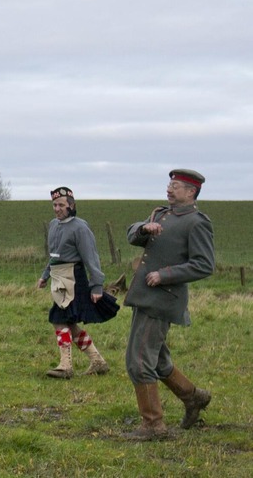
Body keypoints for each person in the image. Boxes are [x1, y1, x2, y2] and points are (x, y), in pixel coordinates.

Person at [122, 169, 215, 441]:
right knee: (158, 361)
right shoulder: (160, 214)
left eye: (176, 185)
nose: (169, 189)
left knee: (139, 361)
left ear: (191, 191)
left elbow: (204, 265)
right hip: (144, 297)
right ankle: (194, 397)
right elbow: (131, 235)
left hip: (162, 300)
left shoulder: (197, 223)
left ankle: (154, 426)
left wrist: (165, 275)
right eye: (169, 184)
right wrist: (143, 228)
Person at [37, 187, 119, 379]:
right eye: (54, 205)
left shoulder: (80, 227)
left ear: (71, 206)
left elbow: (91, 257)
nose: (57, 209)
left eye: (61, 205)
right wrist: (45, 275)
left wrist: (97, 285)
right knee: (69, 323)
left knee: (58, 319)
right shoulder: (53, 225)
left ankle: (66, 365)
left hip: (74, 278)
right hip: (58, 278)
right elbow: (54, 256)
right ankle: (98, 361)